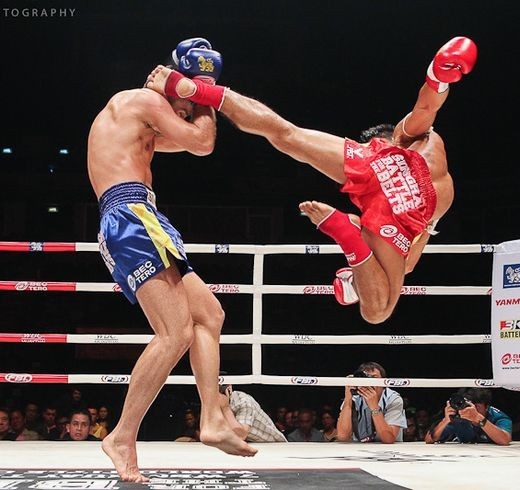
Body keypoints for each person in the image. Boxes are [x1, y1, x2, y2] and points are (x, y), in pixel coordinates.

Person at [146, 36, 478, 324]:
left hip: (380, 171)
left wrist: (438, 76)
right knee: (376, 311)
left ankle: (201, 90)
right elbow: (405, 266)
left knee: (285, 134)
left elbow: (426, 106)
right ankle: (347, 237)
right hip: (407, 207)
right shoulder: (428, 175)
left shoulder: (419, 142)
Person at [87, 36, 257, 482]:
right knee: (174, 332)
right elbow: (203, 143)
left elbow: (194, 141)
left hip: (143, 217)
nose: (183, 113)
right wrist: (200, 89)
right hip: (130, 216)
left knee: (210, 315)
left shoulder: (138, 118)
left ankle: (212, 418)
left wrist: (193, 94)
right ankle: (122, 435)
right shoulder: (141, 100)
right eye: (181, 103)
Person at [337, 362, 407, 443]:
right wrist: (348, 397)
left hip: (389, 451)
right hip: (360, 449)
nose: (369, 383)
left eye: (374, 378)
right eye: (366, 378)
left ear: (384, 382)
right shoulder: (354, 398)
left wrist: (374, 407)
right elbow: (342, 437)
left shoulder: (393, 399)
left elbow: (389, 439)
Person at [424, 388, 512, 445]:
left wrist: (478, 418)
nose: (472, 410)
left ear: (487, 407)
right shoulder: (459, 416)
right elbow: (429, 439)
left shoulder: (499, 417)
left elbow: (505, 440)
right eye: (470, 406)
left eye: (477, 407)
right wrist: (446, 420)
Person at [219, 384, 287, 443]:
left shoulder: (243, 401)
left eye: (219, 390)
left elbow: (240, 435)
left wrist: (225, 408)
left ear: (229, 388)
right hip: (246, 444)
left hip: (273, 445)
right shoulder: (210, 404)